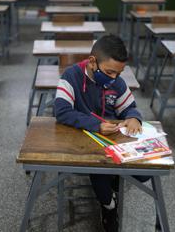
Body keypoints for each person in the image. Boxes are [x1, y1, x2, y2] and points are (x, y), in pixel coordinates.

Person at [54, 34, 143, 232]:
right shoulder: (71, 76)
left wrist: (134, 117)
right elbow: (61, 111)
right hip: (82, 138)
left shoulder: (116, 81)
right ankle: (109, 205)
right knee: (100, 170)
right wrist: (95, 124)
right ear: (93, 62)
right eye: (110, 72)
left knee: (143, 174)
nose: (113, 79)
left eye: (118, 74)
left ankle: (113, 189)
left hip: (110, 139)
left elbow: (129, 107)